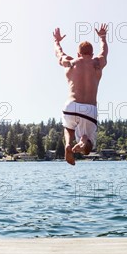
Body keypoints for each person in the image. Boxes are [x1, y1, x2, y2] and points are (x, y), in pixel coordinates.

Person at [53, 24, 108, 165]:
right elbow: (104, 52)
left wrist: (56, 41)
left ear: (78, 54)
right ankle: (84, 140)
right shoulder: (97, 63)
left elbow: (58, 53)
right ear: (92, 53)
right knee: (89, 148)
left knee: (68, 127)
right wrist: (103, 37)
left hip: (70, 106)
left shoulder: (71, 62)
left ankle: (68, 143)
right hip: (89, 109)